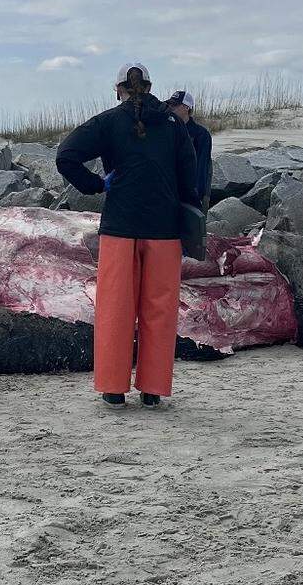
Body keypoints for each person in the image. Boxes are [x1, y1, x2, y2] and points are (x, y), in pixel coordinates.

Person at [56, 63, 200, 409]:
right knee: (160, 310)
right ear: (150, 87)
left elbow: (66, 156)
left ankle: (113, 388)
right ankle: (152, 389)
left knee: (115, 308)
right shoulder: (174, 125)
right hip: (164, 229)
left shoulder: (107, 121)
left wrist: (96, 185)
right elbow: (190, 177)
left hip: (120, 225)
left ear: (118, 89)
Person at [165, 90, 213, 210]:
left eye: (175, 105)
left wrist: (197, 194)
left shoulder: (201, 134)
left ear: (186, 107)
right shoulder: (168, 131)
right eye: (169, 105)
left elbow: (202, 166)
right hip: (170, 193)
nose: (171, 108)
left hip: (192, 194)